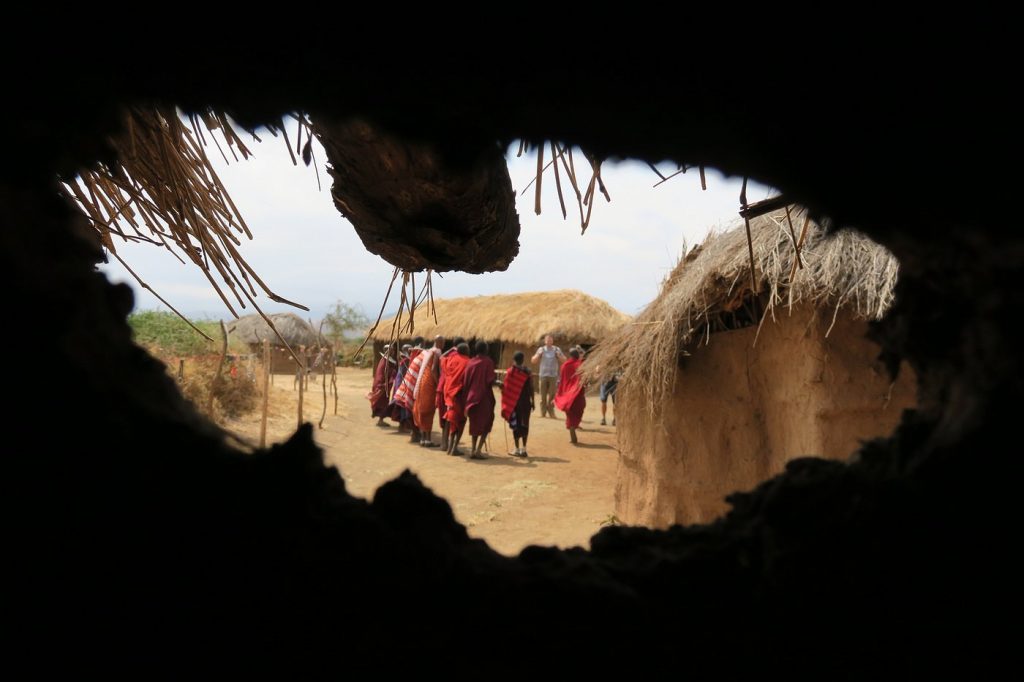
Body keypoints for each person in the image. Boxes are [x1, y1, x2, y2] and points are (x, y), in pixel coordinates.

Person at [461, 340, 497, 459]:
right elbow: (490, 380)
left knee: (474, 424)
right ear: (485, 350)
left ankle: (473, 449)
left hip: (471, 398)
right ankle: (478, 450)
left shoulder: (470, 363)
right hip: (484, 397)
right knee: (486, 423)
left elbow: (465, 381)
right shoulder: (488, 362)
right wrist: (499, 384)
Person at [501, 351, 534, 458]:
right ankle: (524, 449)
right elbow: (531, 388)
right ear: (523, 360)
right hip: (526, 403)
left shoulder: (511, 372)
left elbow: (506, 388)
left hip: (514, 403)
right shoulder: (528, 372)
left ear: (513, 360)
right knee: (525, 424)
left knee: (516, 425)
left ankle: (516, 449)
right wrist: (532, 401)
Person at [392, 336, 425, 443]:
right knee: (409, 411)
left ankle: (413, 432)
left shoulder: (410, 359)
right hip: (407, 387)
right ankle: (413, 433)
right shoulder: (409, 360)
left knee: (408, 411)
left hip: (405, 387)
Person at [412, 336, 444, 447]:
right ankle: (427, 440)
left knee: (423, 409)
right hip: (429, 383)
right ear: (439, 342)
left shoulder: (429, 351)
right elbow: (434, 369)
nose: (443, 344)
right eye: (443, 342)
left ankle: (424, 439)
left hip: (423, 383)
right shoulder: (436, 352)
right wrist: (438, 383)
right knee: (429, 410)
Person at [553, 347, 586, 445]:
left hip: (567, 393)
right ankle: (573, 425)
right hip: (578, 392)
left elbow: (562, 380)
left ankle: (571, 426)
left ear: (570, 355)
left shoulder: (564, 365)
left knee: (570, 410)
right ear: (577, 355)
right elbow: (584, 377)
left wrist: (561, 391)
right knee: (579, 408)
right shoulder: (581, 365)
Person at [437, 336, 464, 451]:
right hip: (450, 390)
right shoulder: (459, 358)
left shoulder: (448, 356)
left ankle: (444, 443)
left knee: (446, 417)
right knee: (450, 417)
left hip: (442, 388)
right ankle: (446, 444)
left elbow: (441, 359)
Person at [443, 342, 470, 456]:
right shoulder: (468, 362)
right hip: (460, 394)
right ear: (466, 351)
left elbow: (441, 358)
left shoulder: (450, 359)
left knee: (451, 419)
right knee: (461, 421)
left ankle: (449, 446)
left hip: (449, 393)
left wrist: (450, 350)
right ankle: (454, 447)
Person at [531, 334, 565, 418]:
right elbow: (533, 361)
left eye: (550, 340)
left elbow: (564, 360)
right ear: (545, 341)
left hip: (553, 375)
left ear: (552, 341)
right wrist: (539, 355)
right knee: (543, 395)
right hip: (543, 375)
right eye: (547, 340)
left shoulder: (557, 349)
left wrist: (559, 355)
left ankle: (551, 411)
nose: (549, 341)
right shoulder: (541, 349)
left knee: (552, 395)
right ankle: (543, 412)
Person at [368, 343, 396, 426]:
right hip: (382, 386)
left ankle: (381, 420)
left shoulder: (386, 361)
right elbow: (380, 375)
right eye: (391, 350)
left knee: (383, 402)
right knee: (382, 403)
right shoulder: (384, 362)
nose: (393, 351)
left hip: (384, 385)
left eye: (393, 350)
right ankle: (380, 420)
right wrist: (383, 385)